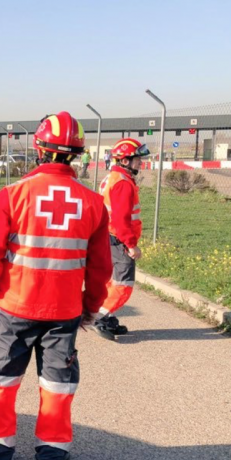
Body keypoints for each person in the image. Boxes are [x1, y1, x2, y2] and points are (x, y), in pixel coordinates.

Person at [0, 111, 112, 460]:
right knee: (57, 381)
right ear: (76, 155)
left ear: (39, 149)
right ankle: (53, 450)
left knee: (2, 377)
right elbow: (100, 267)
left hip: (15, 306)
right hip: (65, 311)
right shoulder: (93, 203)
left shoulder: (12, 194)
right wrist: (92, 307)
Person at [91, 138, 151, 341]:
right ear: (125, 161)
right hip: (119, 239)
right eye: (137, 159)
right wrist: (131, 245)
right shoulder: (123, 183)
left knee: (111, 282)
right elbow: (121, 219)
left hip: (108, 237)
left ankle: (107, 317)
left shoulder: (112, 178)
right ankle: (100, 317)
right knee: (123, 283)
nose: (140, 163)